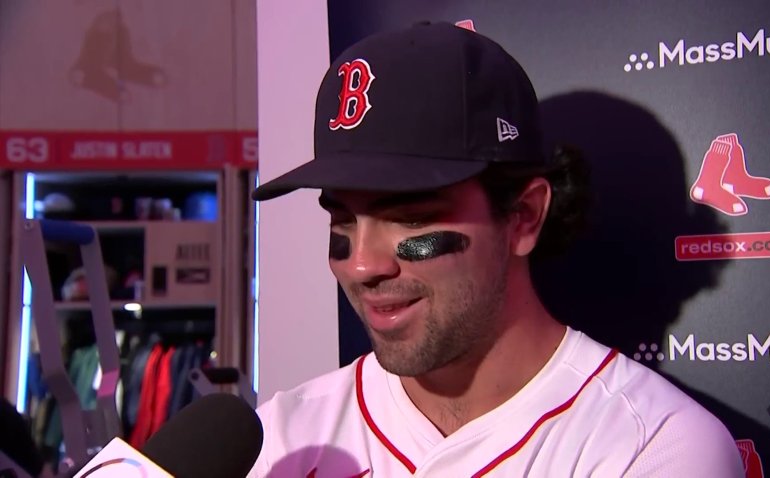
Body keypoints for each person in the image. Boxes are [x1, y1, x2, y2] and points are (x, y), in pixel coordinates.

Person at [247, 21, 744, 477]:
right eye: (342, 220)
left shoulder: (653, 446)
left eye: (410, 217)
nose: (361, 264)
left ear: (523, 216)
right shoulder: (283, 438)